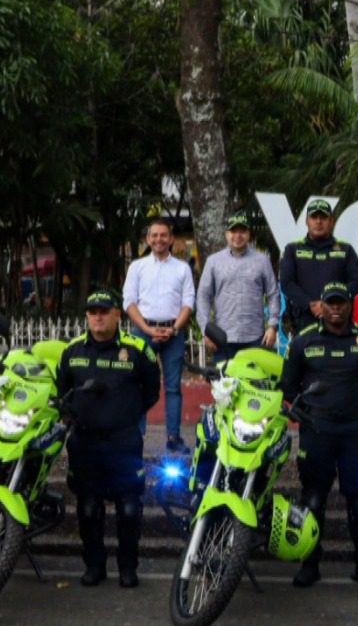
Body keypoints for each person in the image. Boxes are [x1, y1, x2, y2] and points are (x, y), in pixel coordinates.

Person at [280, 282, 358, 588]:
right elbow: (288, 385)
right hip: (317, 430)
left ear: (350, 304)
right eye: (331, 303)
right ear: (322, 306)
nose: (336, 308)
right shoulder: (303, 341)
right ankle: (310, 564)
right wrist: (311, 409)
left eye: (341, 302)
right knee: (313, 498)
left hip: (357, 430)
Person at [58, 290, 161, 587]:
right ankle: (94, 566)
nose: (98, 317)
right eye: (93, 311)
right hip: (85, 442)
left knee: (129, 509)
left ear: (118, 314)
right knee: (88, 508)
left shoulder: (138, 349)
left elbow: (151, 391)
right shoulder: (73, 351)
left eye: (104, 311)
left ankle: (128, 568)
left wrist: (125, 414)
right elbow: (62, 392)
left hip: (123, 441)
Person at [122, 218, 195, 454]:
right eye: (154, 235)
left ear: (171, 239)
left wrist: (173, 329)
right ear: (148, 239)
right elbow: (129, 302)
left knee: (173, 387)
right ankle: (137, 435)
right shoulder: (137, 267)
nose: (159, 239)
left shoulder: (182, 268)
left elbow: (188, 303)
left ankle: (173, 437)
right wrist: (147, 328)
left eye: (164, 235)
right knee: (139, 384)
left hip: (173, 333)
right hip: (143, 333)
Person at [195, 213, 280, 361]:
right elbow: (203, 296)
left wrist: (273, 326)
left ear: (248, 234)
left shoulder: (262, 261)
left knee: (255, 383)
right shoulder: (213, 262)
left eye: (242, 231)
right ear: (226, 234)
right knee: (224, 383)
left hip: (255, 337)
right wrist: (206, 331)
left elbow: (273, 294)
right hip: (223, 339)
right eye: (233, 231)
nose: (238, 235)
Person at [278, 198, 358, 336]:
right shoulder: (292, 249)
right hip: (303, 321)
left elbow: (355, 282)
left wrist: (331, 306)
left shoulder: (346, 249)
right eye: (314, 217)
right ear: (307, 221)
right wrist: (310, 305)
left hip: (338, 321)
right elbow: (287, 283)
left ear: (331, 222)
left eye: (323, 217)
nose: (318, 221)